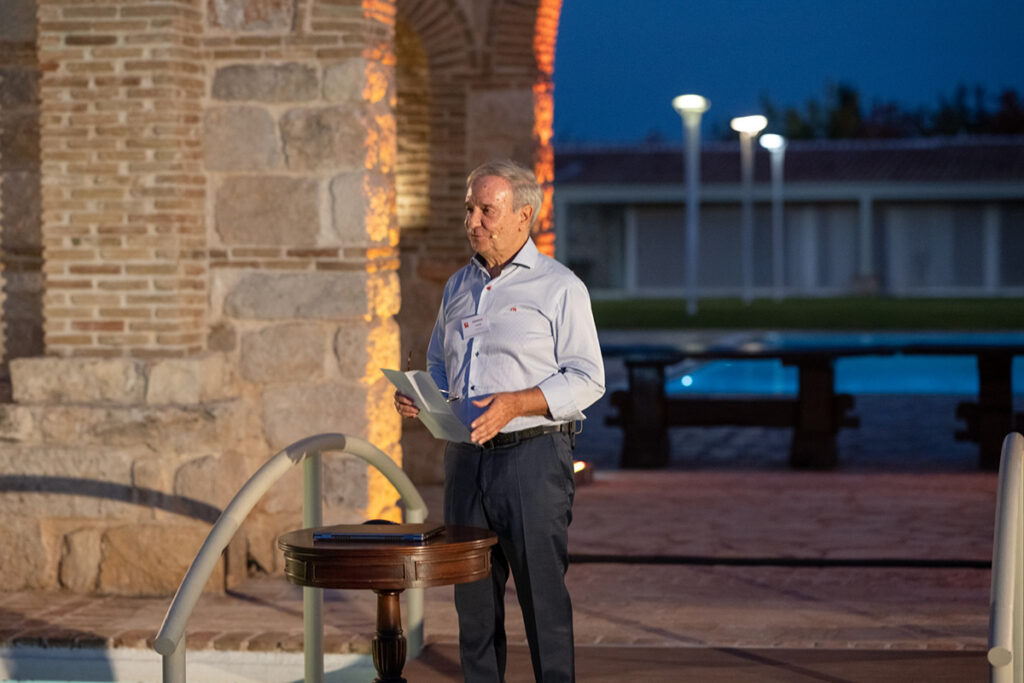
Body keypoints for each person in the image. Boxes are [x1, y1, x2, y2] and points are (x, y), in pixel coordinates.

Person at [394, 158, 605, 682]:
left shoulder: (560, 287)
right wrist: (424, 395)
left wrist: (518, 402)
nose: (473, 221)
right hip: (466, 461)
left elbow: (588, 379)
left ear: (523, 215)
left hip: (533, 459)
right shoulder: (457, 286)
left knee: (542, 602)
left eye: (487, 210)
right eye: (470, 209)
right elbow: (440, 363)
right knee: (473, 609)